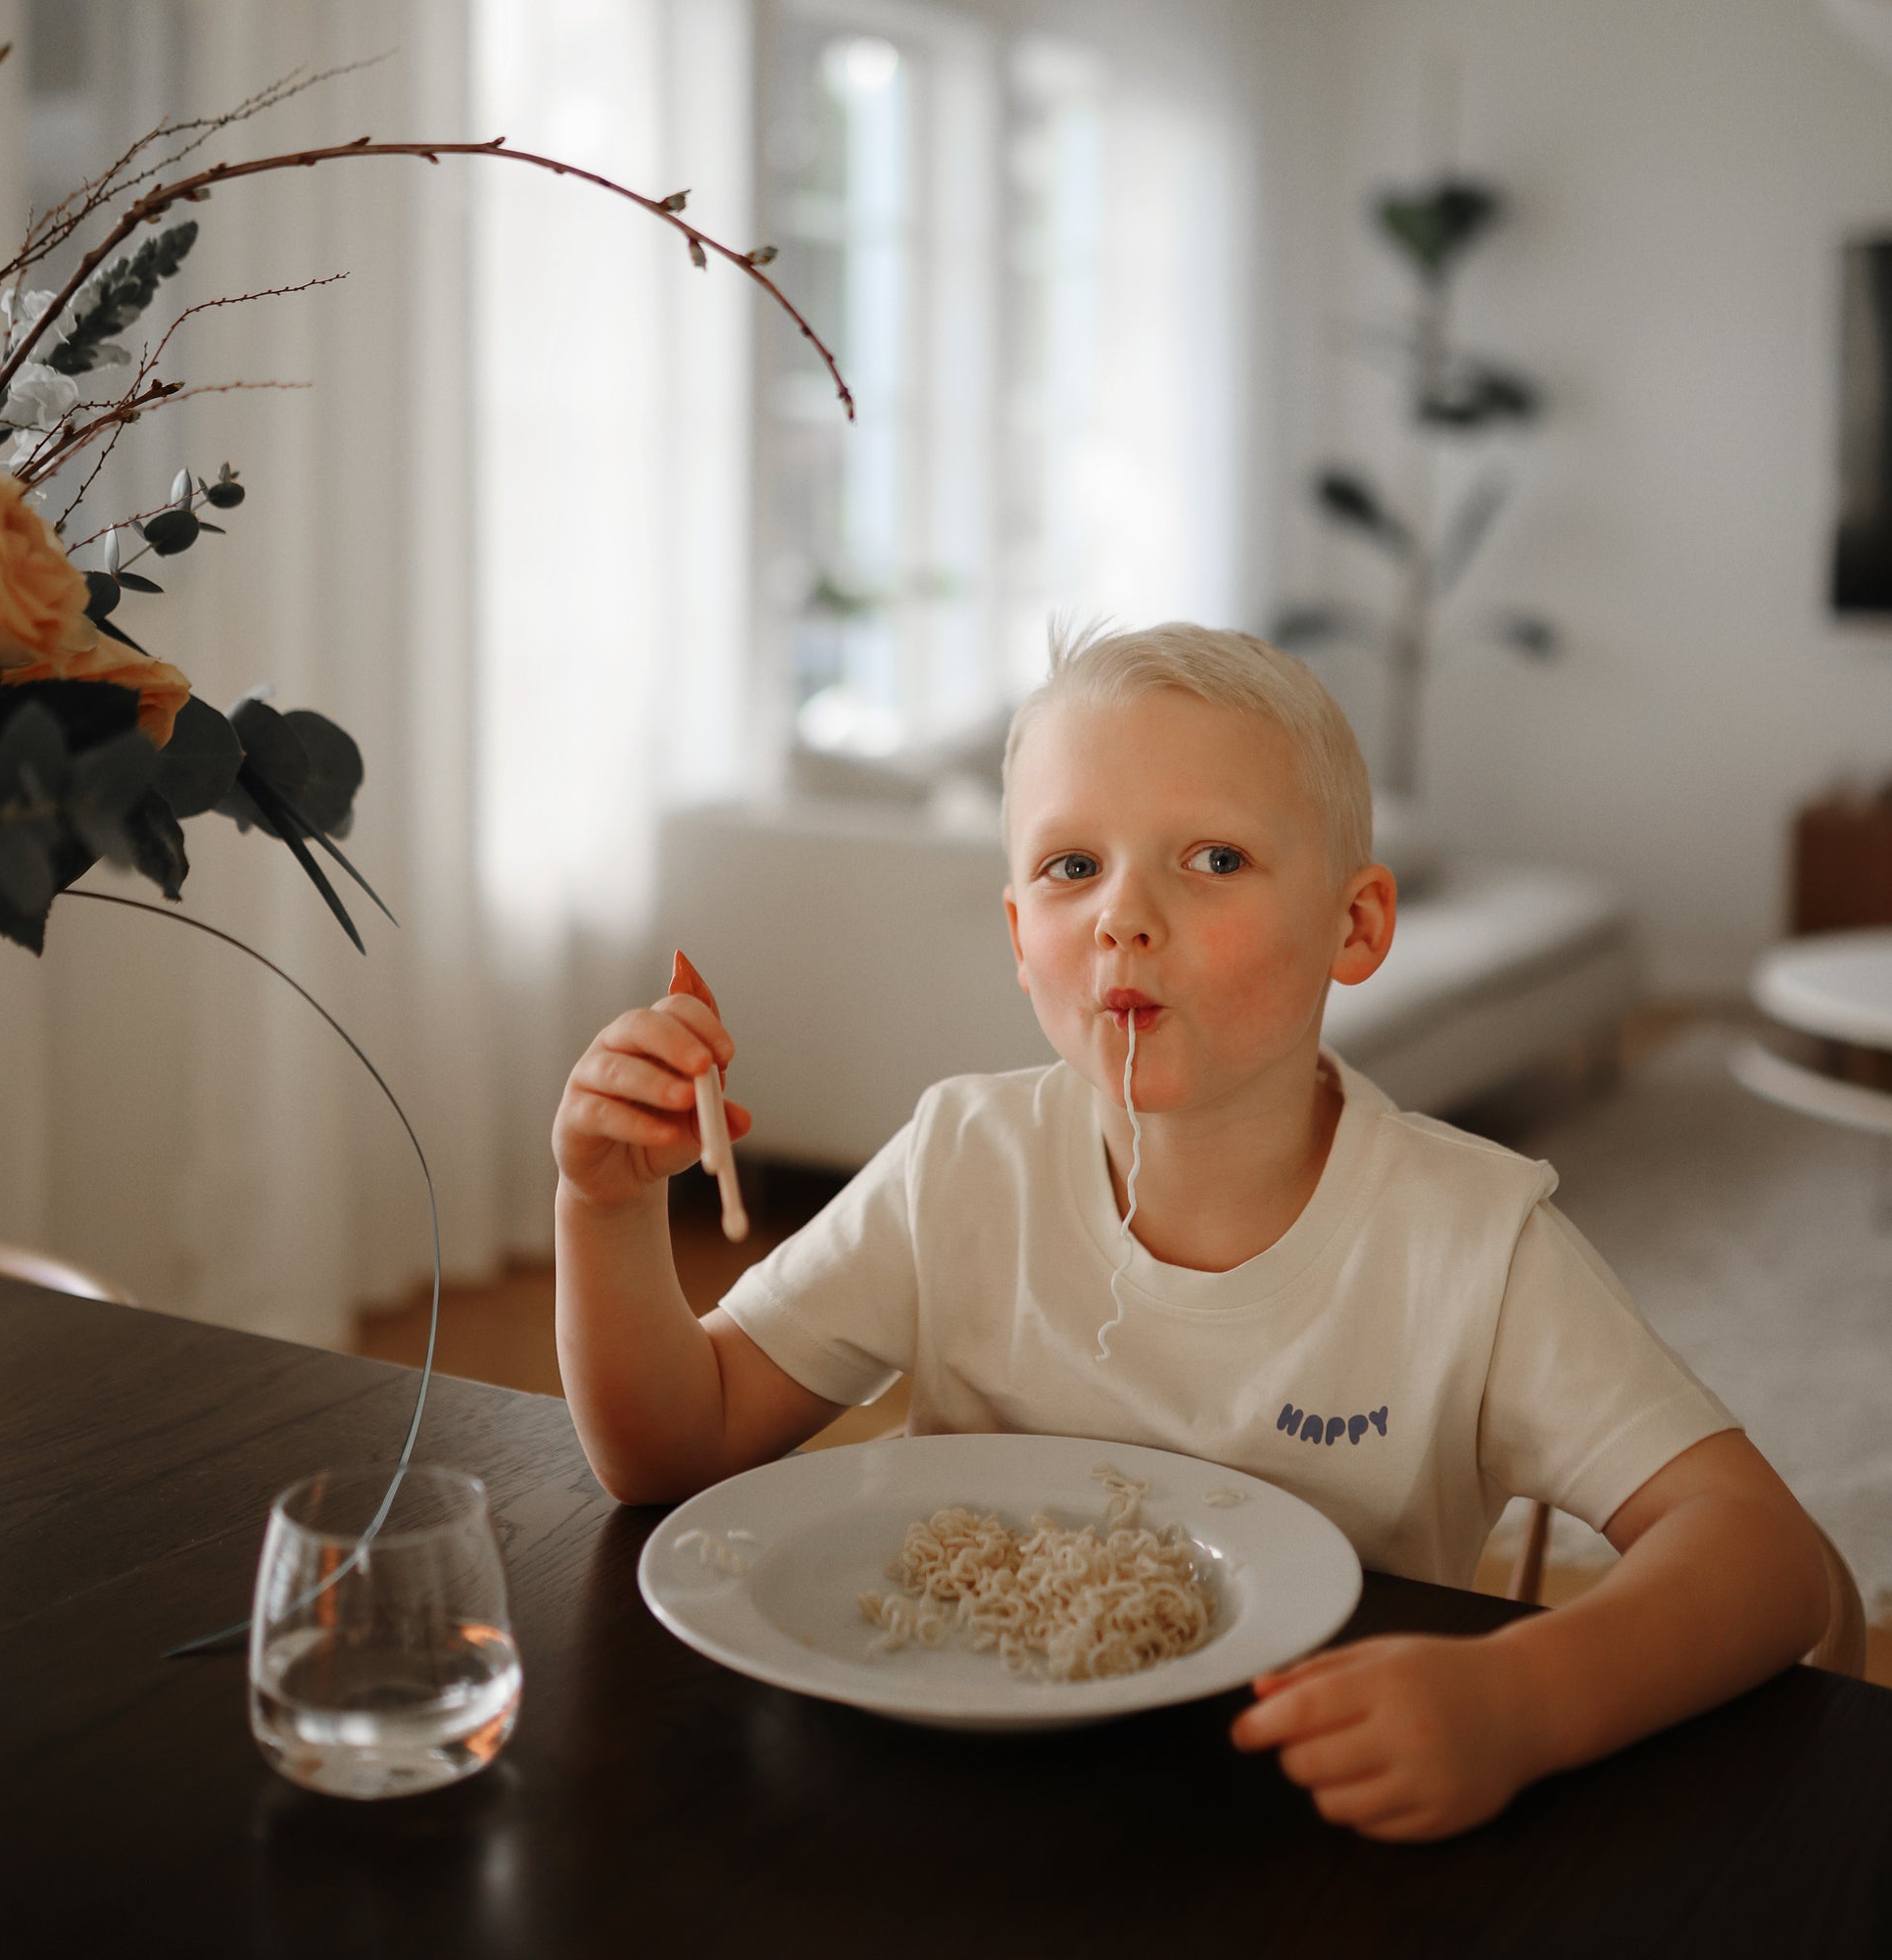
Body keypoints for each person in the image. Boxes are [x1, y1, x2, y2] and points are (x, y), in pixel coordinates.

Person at [552, 618, 1830, 1841]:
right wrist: (607, 1209)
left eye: (1212, 859)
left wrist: (1521, 1702)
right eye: (1071, 866)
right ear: (1018, 936)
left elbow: (1771, 1562)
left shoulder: (1472, 1246)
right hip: (949, 1796)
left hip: (1310, 1813)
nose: (1123, 915)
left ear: (1356, 926)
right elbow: (679, 1447)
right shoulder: (959, 1165)